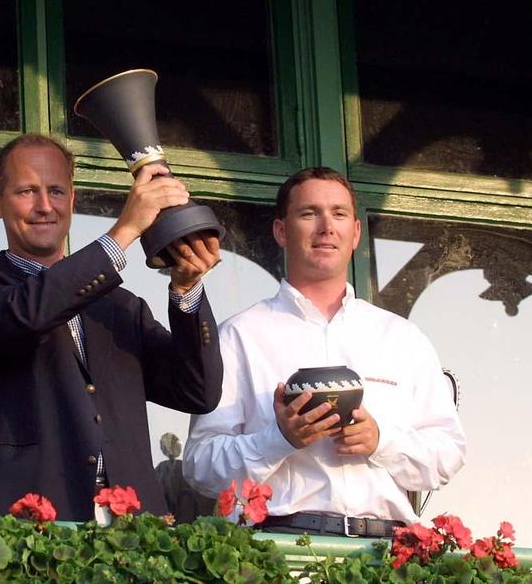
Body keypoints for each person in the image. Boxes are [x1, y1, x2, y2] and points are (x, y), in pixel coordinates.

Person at [0, 135, 223, 522]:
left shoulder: (120, 307)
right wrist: (125, 231)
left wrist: (186, 291)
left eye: (56, 190)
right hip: (32, 533)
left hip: (134, 535)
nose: (44, 206)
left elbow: (198, 391)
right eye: (26, 191)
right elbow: (28, 313)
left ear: (71, 200)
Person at [183, 167, 465, 537]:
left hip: (384, 555)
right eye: (309, 213)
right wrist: (278, 439)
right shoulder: (239, 336)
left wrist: (381, 440)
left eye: (339, 214)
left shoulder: (401, 338)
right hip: (281, 550)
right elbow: (200, 465)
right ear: (281, 231)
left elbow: (448, 454)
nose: (326, 227)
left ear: (355, 234)